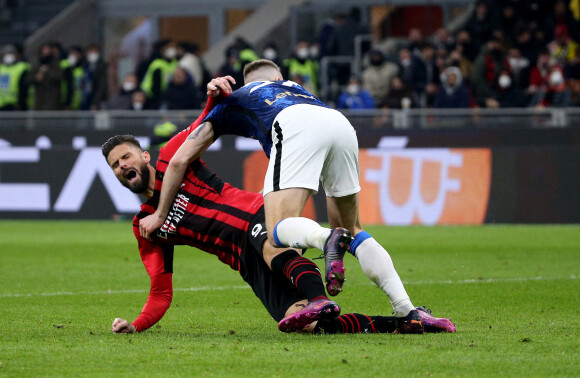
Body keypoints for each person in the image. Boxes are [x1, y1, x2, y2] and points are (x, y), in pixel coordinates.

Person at [139, 60, 444, 323]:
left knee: (277, 230)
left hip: (294, 127)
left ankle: (327, 240)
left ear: (248, 84)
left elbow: (179, 159)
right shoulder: (297, 89)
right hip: (339, 123)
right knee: (352, 227)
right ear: (278, 79)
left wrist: (160, 215)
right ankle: (407, 309)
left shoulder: (239, 98)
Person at [102, 134, 454, 334]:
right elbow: (160, 292)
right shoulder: (146, 225)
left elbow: (207, 125)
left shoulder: (172, 158)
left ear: (144, 156)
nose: (123, 166)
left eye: (126, 157)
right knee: (307, 326)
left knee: (272, 245)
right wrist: (137, 325)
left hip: (254, 214)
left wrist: (215, 96)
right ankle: (405, 324)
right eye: (116, 165)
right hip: (240, 259)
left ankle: (321, 280)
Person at [140, 40, 178, 109]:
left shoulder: (174, 63)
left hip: (168, 97)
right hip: (153, 97)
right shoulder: (157, 64)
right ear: (163, 49)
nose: (172, 49)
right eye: (170, 47)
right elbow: (156, 87)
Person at [26, 42, 63, 110]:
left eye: (48, 50)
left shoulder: (56, 65)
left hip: (53, 102)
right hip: (39, 101)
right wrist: (38, 75)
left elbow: (59, 77)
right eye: (44, 50)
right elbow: (29, 79)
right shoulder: (36, 66)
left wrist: (47, 71)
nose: (46, 52)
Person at [0, 44, 30, 111]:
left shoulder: (22, 67)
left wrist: (20, 103)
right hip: (2, 105)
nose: (8, 56)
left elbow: (23, 88)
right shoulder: (1, 68)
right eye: (6, 53)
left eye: (11, 53)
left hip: (15, 106)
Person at [81, 44, 108, 110]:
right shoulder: (84, 66)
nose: (93, 54)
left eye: (95, 52)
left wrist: (95, 103)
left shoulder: (102, 66)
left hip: (98, 102)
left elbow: (102, 86)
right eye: (91, 52)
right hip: (84, 100)